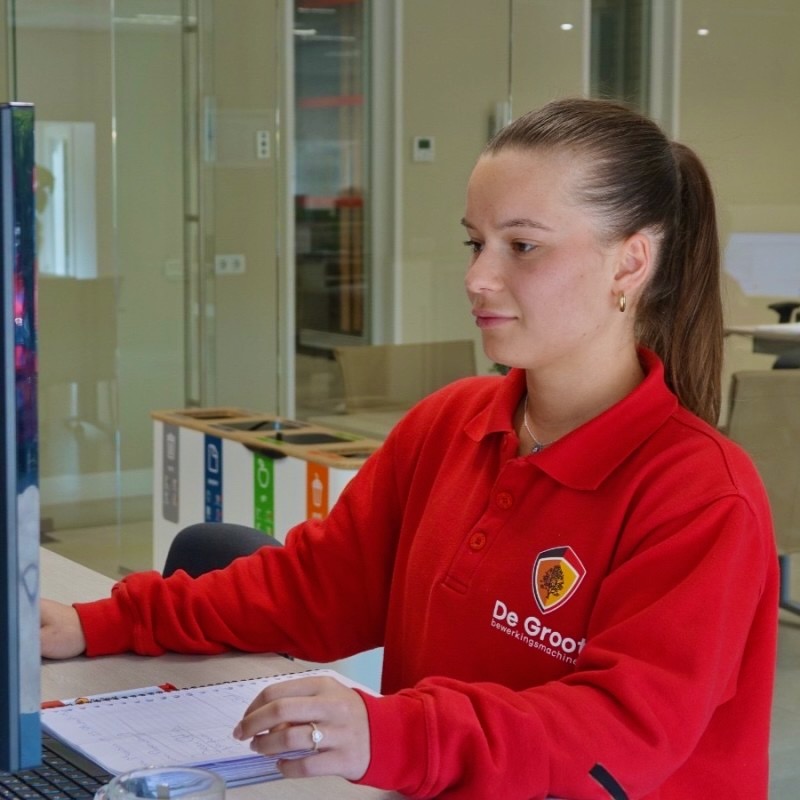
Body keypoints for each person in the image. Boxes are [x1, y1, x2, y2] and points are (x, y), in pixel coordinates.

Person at [41, 98, 779, 800]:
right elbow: (312, 590)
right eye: (476, 243)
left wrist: (397, 733)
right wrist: (97, 622)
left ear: (629, 264)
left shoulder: (701, 495)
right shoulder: (450, 425)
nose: (478, 277)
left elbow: (620, 734)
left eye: (523, 246)